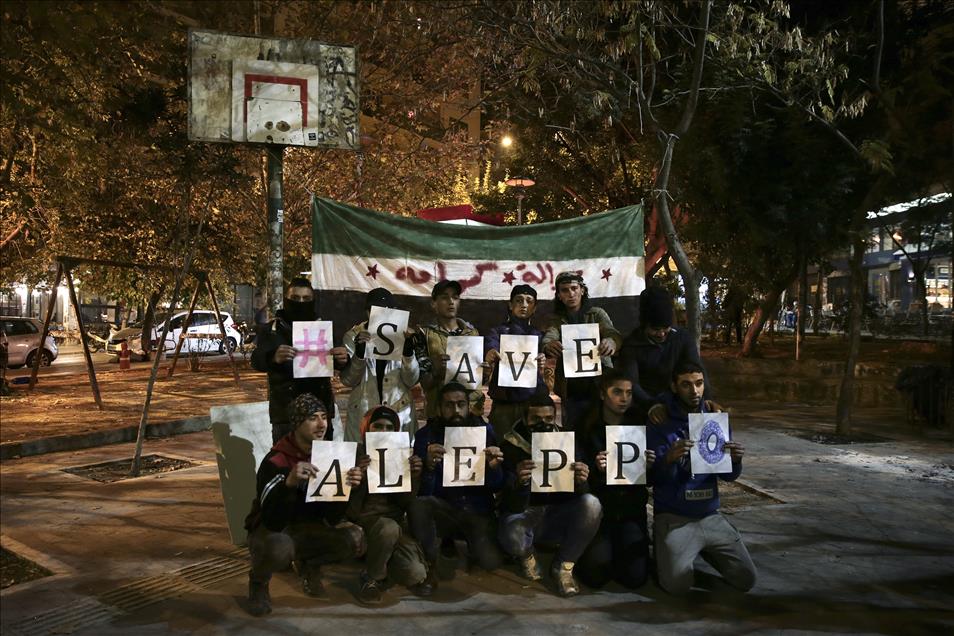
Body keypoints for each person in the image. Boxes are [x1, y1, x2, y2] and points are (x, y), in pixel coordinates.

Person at [243, 393, 365, 616]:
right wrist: (289, 483)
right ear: (297, 424)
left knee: (354, 539)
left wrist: (349, 489)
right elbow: (271, 520)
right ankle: (258, 583)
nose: (321, 424)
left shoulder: (329, 457)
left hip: (307, 528)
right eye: (312, 418)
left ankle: (309, 564)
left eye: (324, 417)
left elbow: (332, 518)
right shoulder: (276, 461)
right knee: (279, 547)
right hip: (272, 530)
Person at [648, 361, 757, 595]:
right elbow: (652, 478)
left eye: (699, 384)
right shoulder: (660, 421)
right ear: (674, 387)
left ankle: (706, 548)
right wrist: (668, 459)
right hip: (674, 517)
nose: (695, 391)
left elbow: (728, 476)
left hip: (710, 514)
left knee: (746, 580)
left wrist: (736, 460)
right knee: (676, 586)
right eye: (686, 385)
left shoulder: (714, 418)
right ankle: (667, 549)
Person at [498, 393, 602, 597]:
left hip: (556, 513)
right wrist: (519, 482)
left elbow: (580, 495)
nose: (543, 424)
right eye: (536, 419)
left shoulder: (566, 441)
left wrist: (581, 481)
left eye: (548, 419)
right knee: (511, 530)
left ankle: (564, 565)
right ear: (525, 419)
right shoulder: (509, 445)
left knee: (592, 504)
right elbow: (508, 505)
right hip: (526, 514)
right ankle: (526, 555)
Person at [408, 382, 505, 587]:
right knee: (420, 505)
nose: (456, 411)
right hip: (445, 510)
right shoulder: (425, 436)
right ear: (439, 409)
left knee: (491, 561)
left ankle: (469, 544)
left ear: (469, 406)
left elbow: (497, 486)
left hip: (477, 511)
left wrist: (494, 468)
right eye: (449, 405)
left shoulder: (484, 431)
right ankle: (431, 560)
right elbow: (423, 493)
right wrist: (429, 467)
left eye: (461, 404)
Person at [575, 369, 655, 589]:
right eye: (617, 392)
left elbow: (649, 479)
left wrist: (648, 467)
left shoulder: (639, 421)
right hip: (601, 511)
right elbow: (575, 474)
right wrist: (594, 467)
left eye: (629, 393)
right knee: (594, 576)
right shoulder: (587, 425)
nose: (624, 398)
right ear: (603, 394)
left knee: (635, 579)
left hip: (631, 510)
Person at [347, 405, 432, 603]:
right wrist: (358, 479)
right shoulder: (353, 454)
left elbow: (406, 503)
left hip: (393, 526)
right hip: (364, 522)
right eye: (377, 426)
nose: (383, 432)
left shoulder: (401, 455)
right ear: (367, 429)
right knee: (388, 528)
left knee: (416, 573)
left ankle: (381, 558)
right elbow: (349, 509)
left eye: (389, 427)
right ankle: (371, 577)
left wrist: (415, 476)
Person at [251, 278, 348, 442]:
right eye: (295, 298)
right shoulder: (271, 329)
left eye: (306, 299)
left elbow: (339, 361)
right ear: (286, 300)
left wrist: (343, 359)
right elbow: (256, 361)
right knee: (286, 464)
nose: (301, 302)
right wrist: (273, 357)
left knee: (321, 465)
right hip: (285, 414)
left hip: (320, 412)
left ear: (313, 301)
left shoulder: (324, 329)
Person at [618, 286, 711, 424]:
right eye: (655, 329)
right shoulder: (631, 345)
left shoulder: (683, 338)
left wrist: (708, 400)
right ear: (645, 326)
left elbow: (697, 370)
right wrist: (652, 406)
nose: (661, 334)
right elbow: (632, 383)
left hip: (680, 403)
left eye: (665, 328)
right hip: (643, 406)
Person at [542, 271, 622, 430]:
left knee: (603, 430)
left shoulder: (596, 314)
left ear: (582, 290)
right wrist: (549, 345)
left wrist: (611, 342)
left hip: (600, 385)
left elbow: (612, 333)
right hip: (571, 390)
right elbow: (549, 337)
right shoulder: (557, 320)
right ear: (559, 295)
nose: (571, 294)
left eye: (574, 288)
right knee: (575, 432)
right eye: (565, 290)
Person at [340, 288, 420, 442]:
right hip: (364, 410)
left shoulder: (404, 335)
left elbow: (412, 380)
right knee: (365, 461)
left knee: (398, 461)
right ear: (367, 312)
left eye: (386, 310)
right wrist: (359, 354)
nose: (380, 314)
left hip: (398, 411)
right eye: (374, 309)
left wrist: (408, 354)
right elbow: (349, 380)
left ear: (394, 311)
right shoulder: (353, 336)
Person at [484, 284, 548, 439]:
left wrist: (542, 360)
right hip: (504, 403)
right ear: (510, 305)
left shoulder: (539, 335)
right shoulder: (497, 331)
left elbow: (545, 357)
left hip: (531, 403)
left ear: (535, 307)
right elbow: (491, 344)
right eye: (519, 300)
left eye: (529, 301)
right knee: (501, 445)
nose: (524, 305)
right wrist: (491, 352)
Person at [412, 279, 481, 420]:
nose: (451, 301)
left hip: (470, 414)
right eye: (444, 297)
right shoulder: (423, 335)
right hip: (438, 413)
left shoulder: (472, 333)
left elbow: (475, 379)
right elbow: (425, 382)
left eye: (455, 297)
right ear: (433, 304)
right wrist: (436, 370)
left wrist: (484, 372)